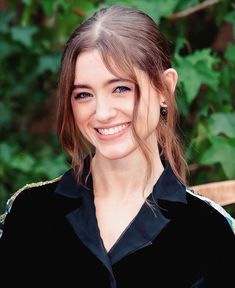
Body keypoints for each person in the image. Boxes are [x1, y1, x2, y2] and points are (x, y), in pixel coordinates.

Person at [0, 5, 234, 288]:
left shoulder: (210, 230)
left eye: (120, 88)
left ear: (164, 88)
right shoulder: (31, 213)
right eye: (84, 94)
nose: (101, 113)